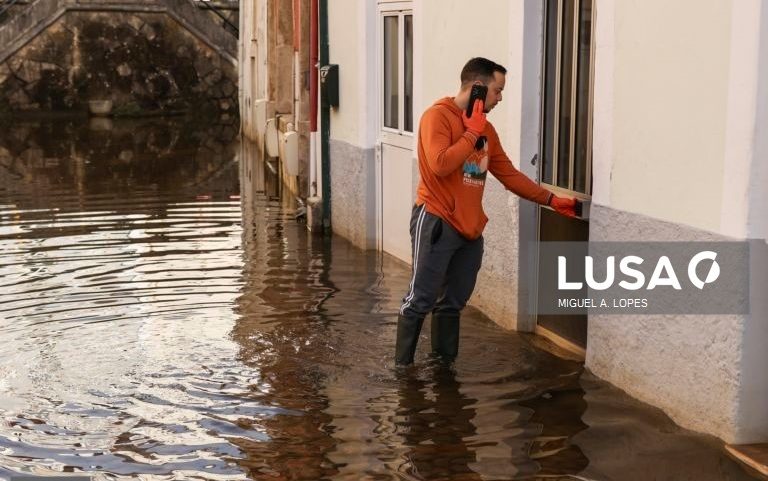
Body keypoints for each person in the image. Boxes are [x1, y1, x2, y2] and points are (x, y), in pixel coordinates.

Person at [395, 57, 576, 366]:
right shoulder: (436, 117)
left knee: (452, 303)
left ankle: (443, 369)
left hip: (470, 230)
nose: (500, 98)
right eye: (497, 90)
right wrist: (470, 133)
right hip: (437, 221)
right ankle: (402, 373)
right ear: (478, 88)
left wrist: (550, 199)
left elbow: (509, 174)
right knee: (420, 299)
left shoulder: (487, 130)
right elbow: (440, 165)